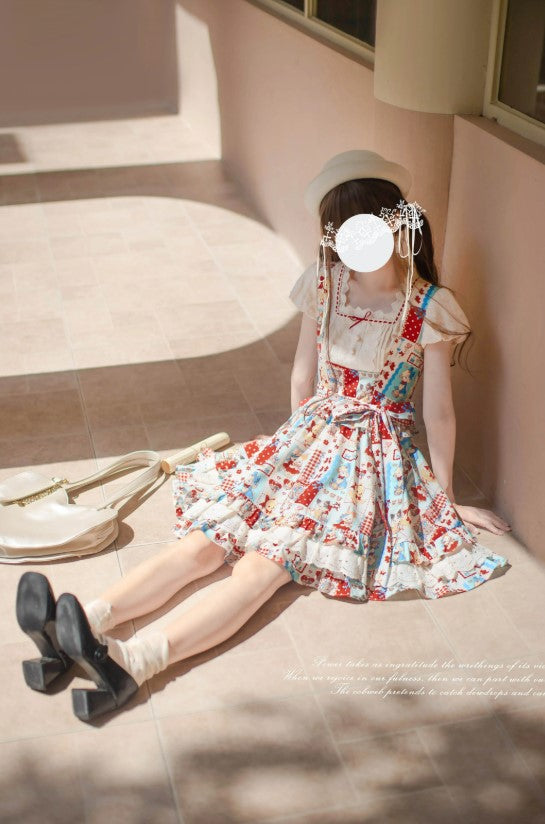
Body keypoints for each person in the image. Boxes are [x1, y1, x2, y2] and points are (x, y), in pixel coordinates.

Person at [16, 150, 511, 722]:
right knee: (207, 541)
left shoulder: (427, 306)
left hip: (369, 464)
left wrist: (443, 500)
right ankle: (80, 624)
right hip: (309, 441)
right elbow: (302, 377)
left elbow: (438, 412)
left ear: (394, 223)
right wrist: (290, 453)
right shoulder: (325, 284)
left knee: (262, 565)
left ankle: (135, 662)